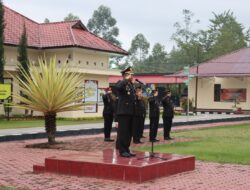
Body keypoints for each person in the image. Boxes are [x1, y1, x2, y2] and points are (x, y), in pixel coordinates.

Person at [115, 66, 136, 158]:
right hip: (123, 112)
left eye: (131, 74)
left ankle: (127, 149)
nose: (132, 76)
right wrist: (125, 79)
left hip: (130, 111)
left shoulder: (130, 84)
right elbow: (118, 88)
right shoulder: (121, 83)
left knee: (129, 132)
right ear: (125, 75)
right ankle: (122, 150)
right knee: (123, 132)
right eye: (130, 74)